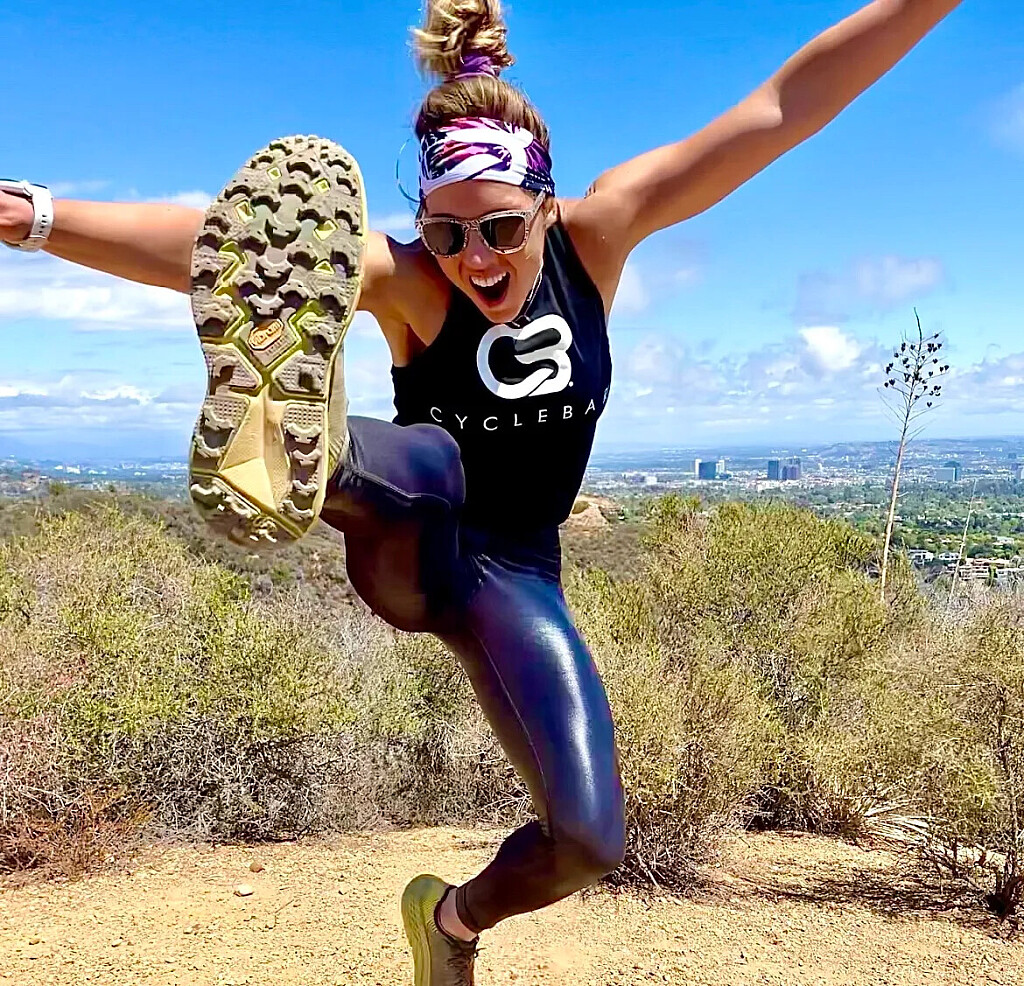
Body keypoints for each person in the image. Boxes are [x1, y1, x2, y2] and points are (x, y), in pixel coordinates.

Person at [0, 1, 963, 982]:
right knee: (432, 461)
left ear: (545, 205)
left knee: (587, 838)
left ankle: (450, 921)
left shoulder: (599, 233)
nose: (476, 258)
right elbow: (226, 247)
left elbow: (783, 107)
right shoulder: (410, 280)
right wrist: (38, 217)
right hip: (415, 538)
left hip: (516, 579)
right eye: (447, 232)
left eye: (501, 227)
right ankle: (307, 441)